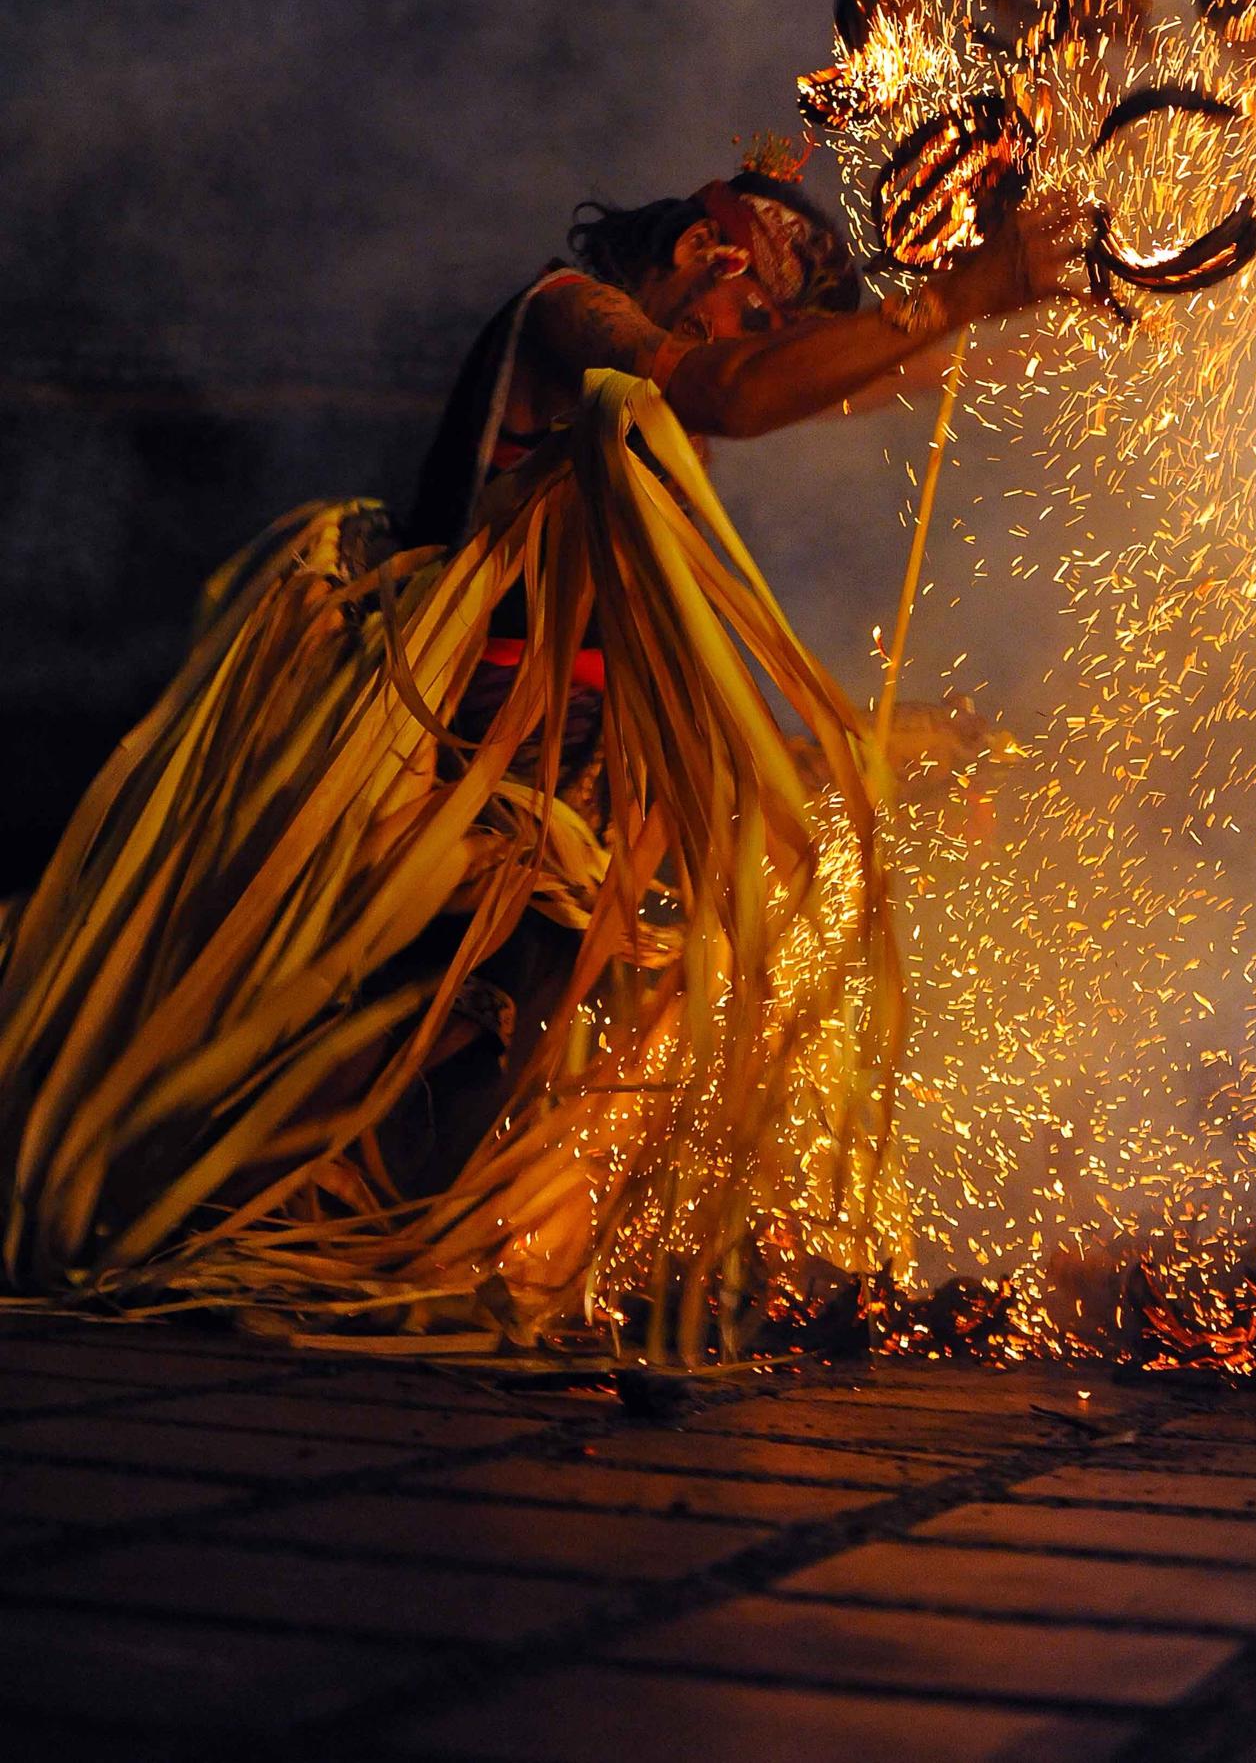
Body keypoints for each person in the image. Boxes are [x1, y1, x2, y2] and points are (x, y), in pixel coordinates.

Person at [0, 159, 1090, 1358]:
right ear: (699, 256)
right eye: (760, 311)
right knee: (419, 1030)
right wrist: (968, 288)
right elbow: (736, 390)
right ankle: (285, 1249)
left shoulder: (668, 376)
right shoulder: (570, 311)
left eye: (778, 327)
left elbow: (851, 376)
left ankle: (412, 1264)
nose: (761, 338)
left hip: (579, 774)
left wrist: (1028, 307)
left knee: (540, 1031)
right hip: (463, 751)